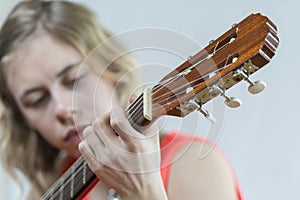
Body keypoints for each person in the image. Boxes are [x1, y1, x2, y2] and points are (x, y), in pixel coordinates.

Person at [0, 1, 242, 199]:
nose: (63, 109)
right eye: (36, 100)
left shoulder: (194, 163)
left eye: (73, 80)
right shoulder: (48, 188)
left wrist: (145, 195)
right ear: (22, 118)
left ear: (112, 71)